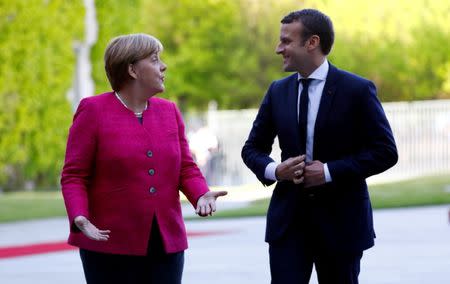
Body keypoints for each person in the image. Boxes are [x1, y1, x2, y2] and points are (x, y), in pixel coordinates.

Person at [241, 9, 398, 284]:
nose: (279, 48)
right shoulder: (278, 91)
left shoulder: (357, 90)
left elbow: (385, 151)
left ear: (312, 42)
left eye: (286, 41)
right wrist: (276, 171)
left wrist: (328, 172)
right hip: (288, 224)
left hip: (342, 225)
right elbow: (252, 149)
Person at [61, 33, 227, 284]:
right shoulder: (93, 110)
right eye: (154, 59)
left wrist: (200, 194)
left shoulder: (168, 110)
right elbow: (74, 175)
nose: (163, 66)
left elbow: (185, 166)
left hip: (165, 244)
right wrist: (79, 215)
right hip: (107, 244)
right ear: (132, 70)